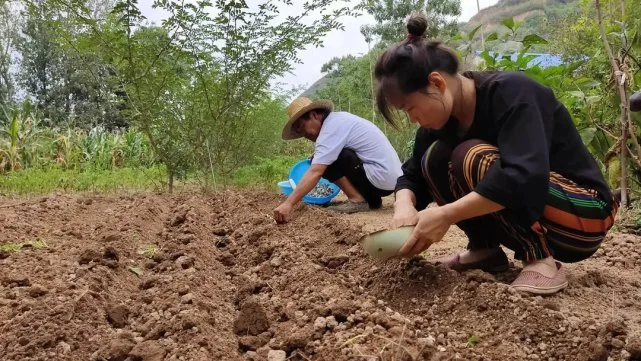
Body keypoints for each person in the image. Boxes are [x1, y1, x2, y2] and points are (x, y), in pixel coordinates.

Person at [373, 13, 617, 295]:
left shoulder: (512, 93)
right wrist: (404, 204)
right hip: (547, 210)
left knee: (471, 155)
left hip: (583, 216)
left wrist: (446, 215)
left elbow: (523, 176)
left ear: (437, 83)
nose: (413, 119)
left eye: (409, 108)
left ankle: (539, 258)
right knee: (433, 157)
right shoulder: (439, 124)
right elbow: (413, 174)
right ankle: (484, 249)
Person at [273, 97, 403, 223]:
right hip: (387, 179)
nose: (305, 135)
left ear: (313, 115)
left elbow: (316, 171)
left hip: (381, 177)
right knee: (322, 157)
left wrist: (288, 203)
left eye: (302, 126)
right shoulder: (337, 120)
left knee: (327, 160)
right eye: (300, 132)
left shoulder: (331, 129)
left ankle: (357, 200)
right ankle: (370, 200)